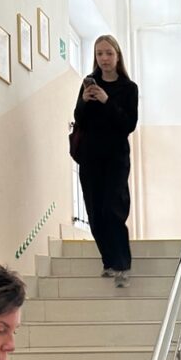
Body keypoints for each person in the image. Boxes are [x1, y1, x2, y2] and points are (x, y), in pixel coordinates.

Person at [72, 34, 139, 288]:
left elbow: (128, 124)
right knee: (95, 211)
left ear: (117, 56)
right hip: (90, 158)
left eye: (109, 53)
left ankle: (122, 265)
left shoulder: (128, 88)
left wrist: (106, 101)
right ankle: (109, 262)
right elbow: (79, 118)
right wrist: (85, 101)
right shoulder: (88, 84)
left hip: (116, 158)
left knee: (113, 208)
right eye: (99, 53)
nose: (104, 58)